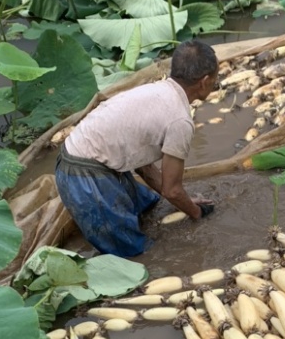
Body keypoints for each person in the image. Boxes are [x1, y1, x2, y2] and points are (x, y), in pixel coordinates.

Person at [55, 38, 219, 257]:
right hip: (85, 177)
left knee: (148, 205)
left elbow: (144, 166)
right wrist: (196, 212)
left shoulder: (157, 90)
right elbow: (172, 189)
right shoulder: (180, 121)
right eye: (216, 79)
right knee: (134, 253)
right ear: (204, 81)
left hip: (82, 158)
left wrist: (184, 202)